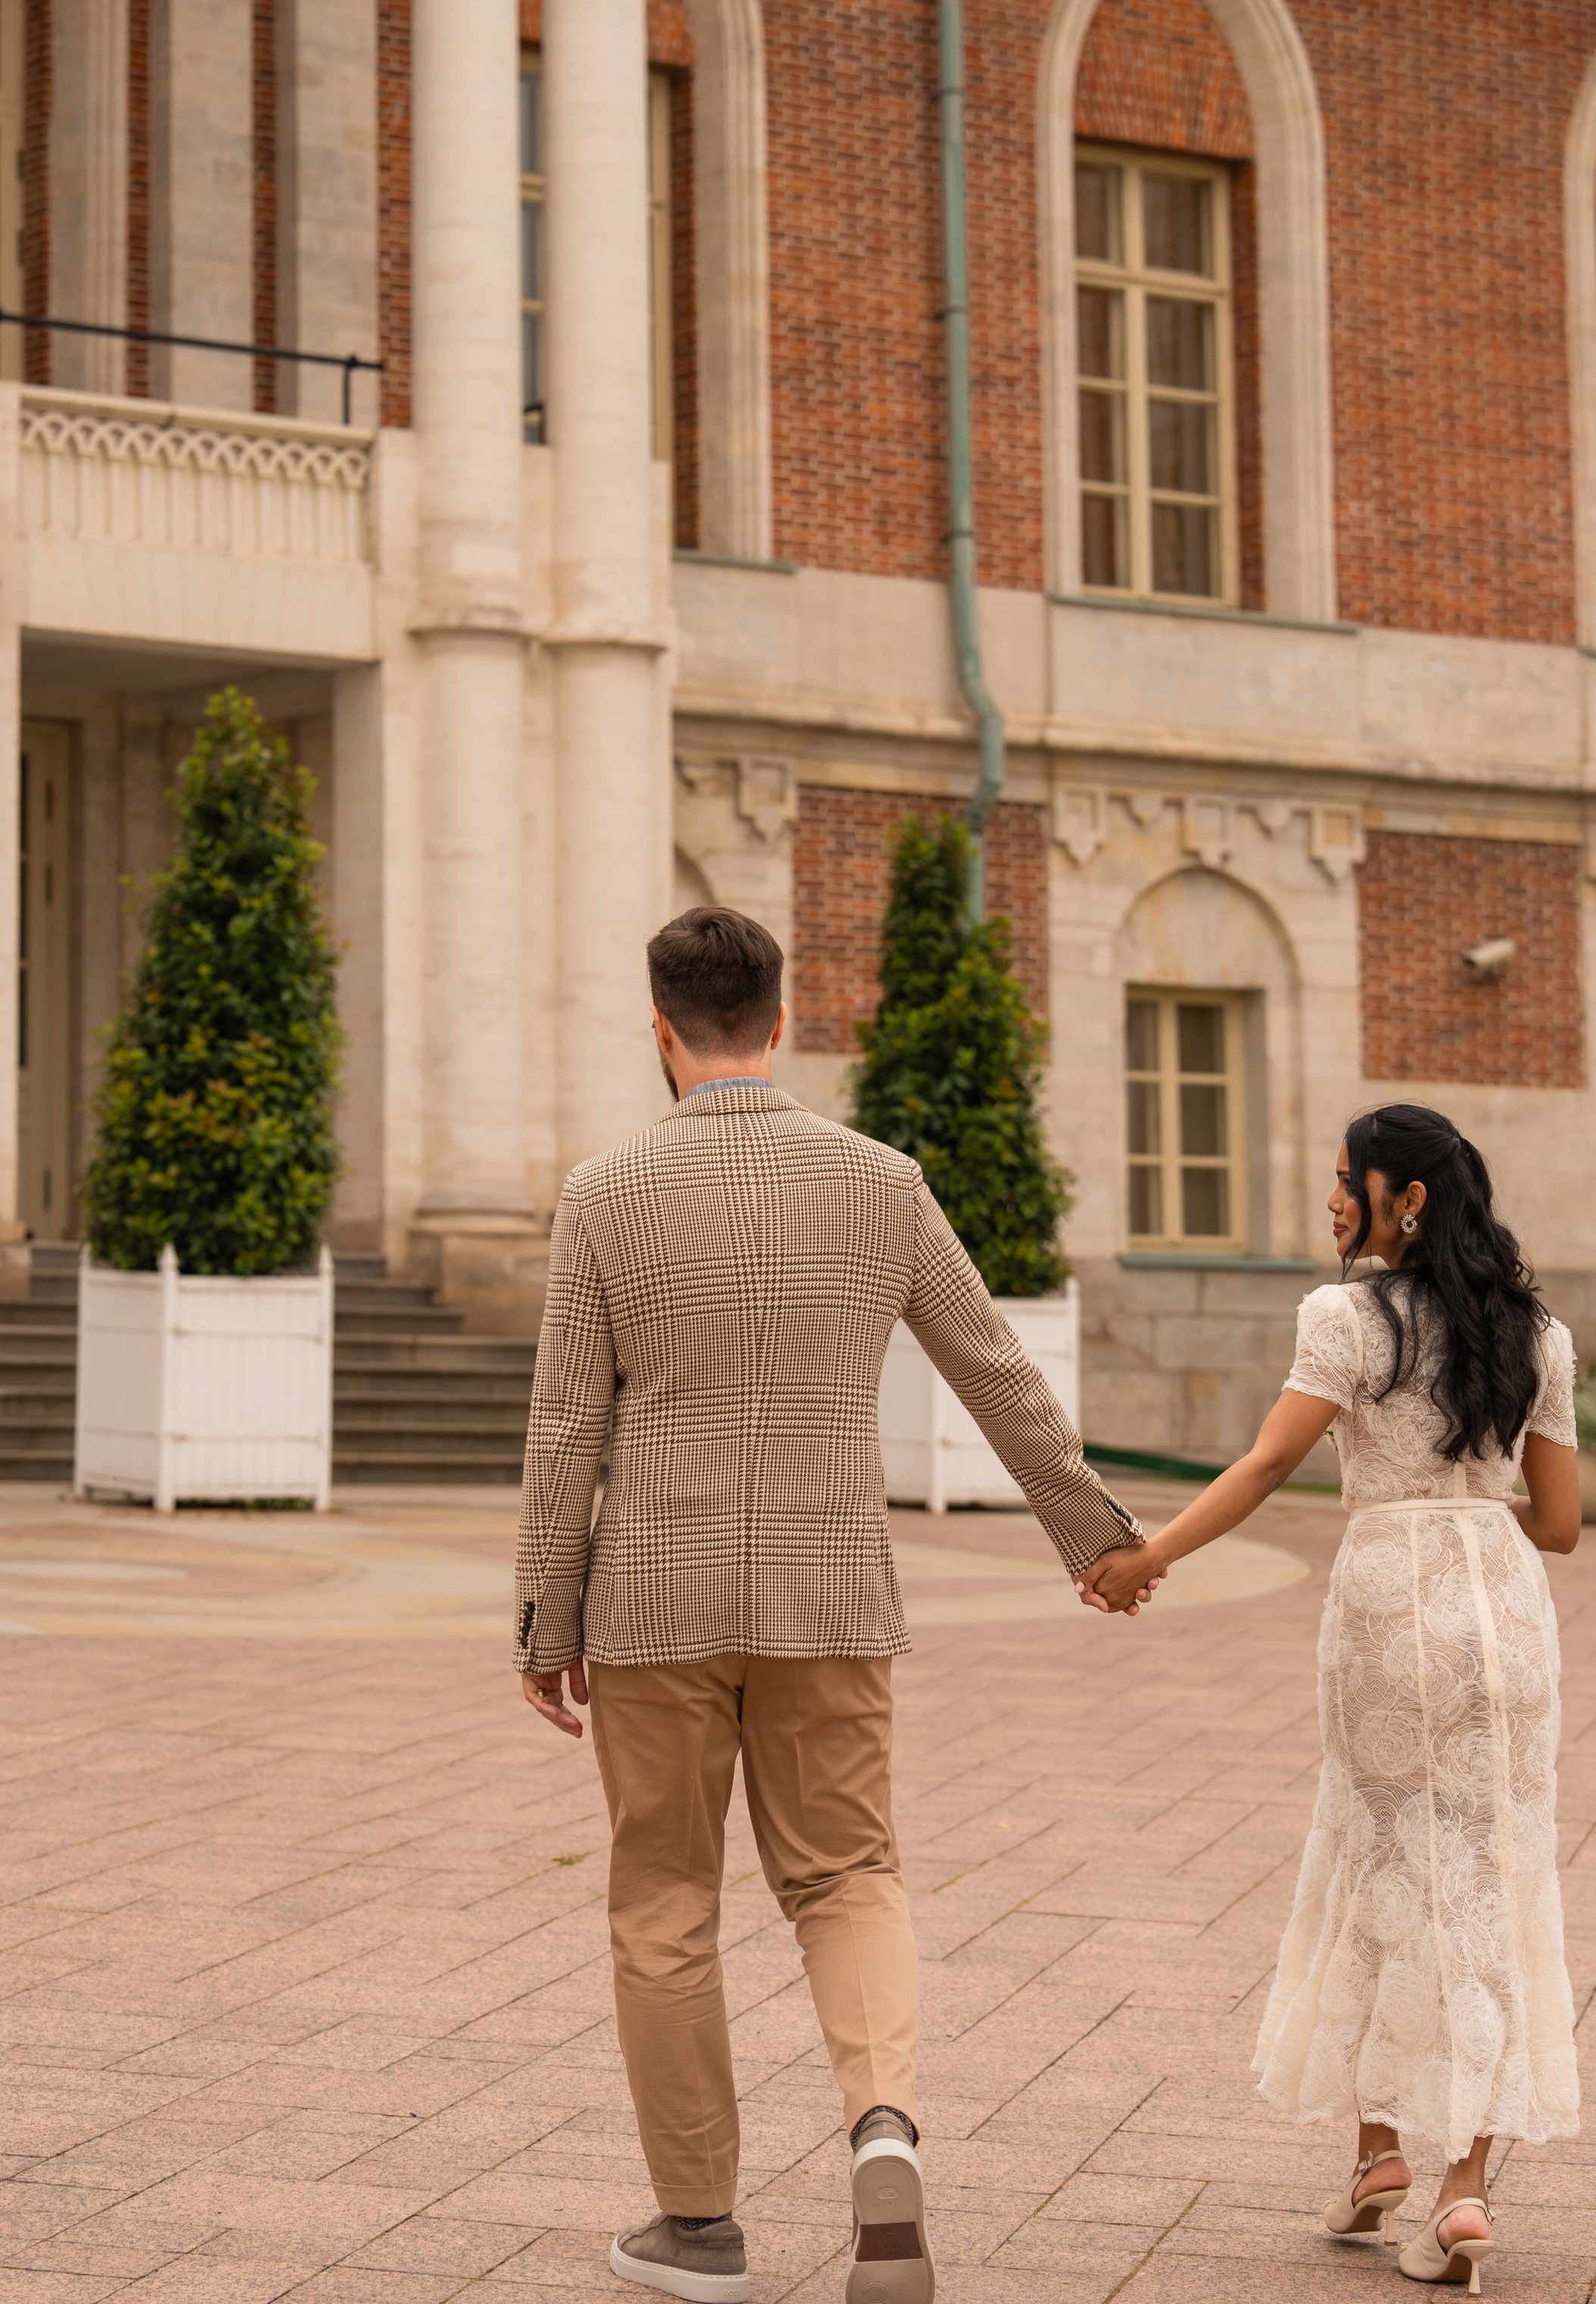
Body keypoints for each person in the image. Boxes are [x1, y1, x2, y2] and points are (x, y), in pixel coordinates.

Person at [514, 905, 1149, 2304]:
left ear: (661, 1030)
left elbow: (566, 1426)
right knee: (848, 1876)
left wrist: (544, 1618)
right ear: (782, 1021)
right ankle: (882, 2132)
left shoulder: (604, 1194)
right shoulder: (880, 1181)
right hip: (830, 1590)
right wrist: (1095, 1538)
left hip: (655, 1599)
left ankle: (698, 2231)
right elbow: (993, 1367)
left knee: (664, 1897)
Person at [1085, 1105, 1581, 2292]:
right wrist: (1468, 1506)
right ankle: (1451, 2183)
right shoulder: (1540, 1332)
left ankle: (1393, 2159)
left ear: (1405, 1198)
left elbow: (1267, 1464)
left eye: (1345, 1179)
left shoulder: (1345, 1319)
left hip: (1389, 1607)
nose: (1330, 1199)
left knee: (1378, 1853)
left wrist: (1148, 1556)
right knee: (1490, 1873)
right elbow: (1562, 1524)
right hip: (1507, 1615)